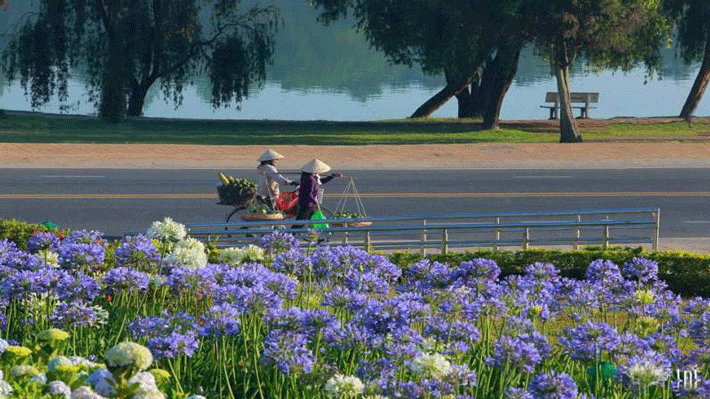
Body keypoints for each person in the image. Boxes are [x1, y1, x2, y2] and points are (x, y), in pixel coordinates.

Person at [293, 158, 341, 228]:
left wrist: (332, 176)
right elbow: (309, 193)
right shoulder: (310, 179)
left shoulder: (312, 177)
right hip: (307, 204)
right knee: (300, 223)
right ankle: (290, 236)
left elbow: (321, 181)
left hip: (309, 204)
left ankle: (317, 238)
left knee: (313, 222)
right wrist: (315, 202)